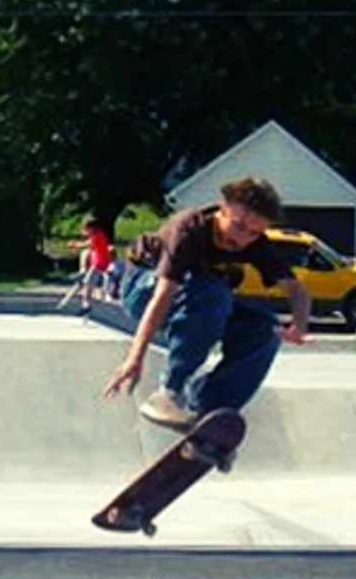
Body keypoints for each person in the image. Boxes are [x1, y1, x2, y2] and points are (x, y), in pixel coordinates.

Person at [101, 177, 310, 431]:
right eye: (238, 226)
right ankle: (169, 392)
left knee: (265, 329)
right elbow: (163, 295)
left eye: (254, 233)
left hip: (195, 298)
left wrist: (299, 325)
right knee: (214, 291)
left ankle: (209, 410)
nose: (242, 239)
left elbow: (297, 290)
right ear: (222, 209)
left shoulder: (257, 245)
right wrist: (135, 358)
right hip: (143, 288)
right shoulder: (188, 228)